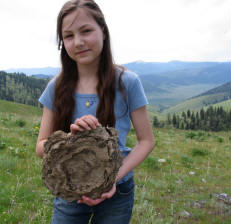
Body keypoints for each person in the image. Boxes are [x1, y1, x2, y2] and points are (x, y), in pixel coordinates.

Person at [36, 0, 155, 223]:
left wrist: (111, 179)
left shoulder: (127, 82)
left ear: (103, 31)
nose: (78, 42)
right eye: (69, 36)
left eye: (86, 31)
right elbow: (41, 146)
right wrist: (69, 141)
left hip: (117, 191)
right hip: (69, 188)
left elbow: (146, 141)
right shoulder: (56, 87)